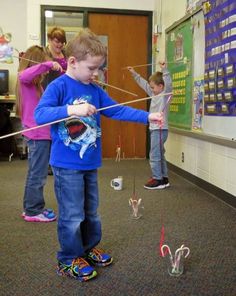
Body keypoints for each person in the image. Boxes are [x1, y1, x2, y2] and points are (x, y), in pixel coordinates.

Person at [34, 28, 163, 282]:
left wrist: (147, 117)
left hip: (90, 162)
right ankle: (68, 259)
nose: (96, 74)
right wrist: (72, 109)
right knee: (72, 214)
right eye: (92, 68)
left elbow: (116, 110)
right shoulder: (59, 85)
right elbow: (40, 115)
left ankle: (87, 249)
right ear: (72, 62)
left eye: (99, 68)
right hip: (66, 165)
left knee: (91, 211)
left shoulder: (94, 88)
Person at [16, 45, 63, 222]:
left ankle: (30, 207)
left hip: (40, 134)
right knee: (38, 174)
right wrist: (48, 64)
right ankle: (33, 211)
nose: (43, 72)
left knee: (35, 172)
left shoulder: (35, 86)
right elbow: (24, 74)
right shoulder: (25, 79)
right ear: (36, 63)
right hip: (37, 135)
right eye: (41, 65)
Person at [128, 61, 172, 190]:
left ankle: (157, 179)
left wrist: (165, 70)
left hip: (160, 129)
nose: (151, 89)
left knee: (154, 154)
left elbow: (168, 85)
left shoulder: (165, 95)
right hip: (155, 129)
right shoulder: (155, 94)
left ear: (161, 86)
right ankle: (164, 178)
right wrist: (134, 73)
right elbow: (144, 85)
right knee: (159, 154)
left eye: (153, 87)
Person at [43, 26, 67, 175]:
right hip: (49, 94)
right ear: (50, 40)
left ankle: (61, 160)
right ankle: (49, 163)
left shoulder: (66, 54)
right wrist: (48, 64)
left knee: (63, 128)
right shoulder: (44, 55)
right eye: (56, 41)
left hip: (64, 95)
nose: (58, 45)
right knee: (49, 131)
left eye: (61, 42)